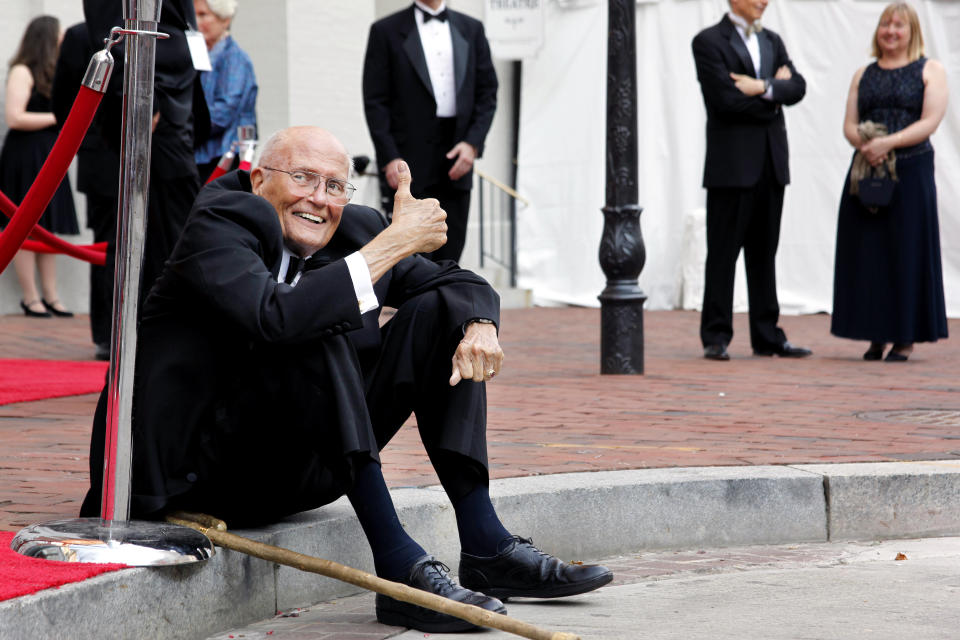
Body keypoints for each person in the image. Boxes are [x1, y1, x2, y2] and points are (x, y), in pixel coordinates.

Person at [79, 127, 612, 633]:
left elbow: (457, 283)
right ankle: (398, 565)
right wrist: (395, 243)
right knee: (317, 322)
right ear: (259, 178)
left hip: (297, 468)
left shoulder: (353, 227)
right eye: (303, 177)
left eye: (335, 185)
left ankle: (486, 545)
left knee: (442, 310)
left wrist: (479, 325)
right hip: (195, 474)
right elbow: (276, 317)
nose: (319, 199)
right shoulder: (222, 218)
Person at [691, 0, 812, 361]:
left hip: (771, 164)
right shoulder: (709, 41)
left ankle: (767, 336)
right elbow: (724, 100)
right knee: (723, 253)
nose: (764, 1)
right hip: (731, 166)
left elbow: (799, 87)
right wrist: (775, 93)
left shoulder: (772, 40)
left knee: (765, 253)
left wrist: (759, 86)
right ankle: (716, 336)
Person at [831, 3, 948, 362]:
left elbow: (930, 121)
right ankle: (875, 332)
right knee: (869, 252)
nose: (891, 31)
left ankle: (904, 336)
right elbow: (849, 124)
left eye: (899, 25)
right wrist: (866, 145)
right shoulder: (862, 73)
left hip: (911, 171)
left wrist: (889, 143)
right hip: (867, 171)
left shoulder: (931, 70)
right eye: (885, 24)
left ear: (912, 31)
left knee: (906, 252)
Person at [83, 0, 210, 304]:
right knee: (156, 234)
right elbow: (116, 33)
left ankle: (162, 326)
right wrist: (143, 100)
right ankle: (150, 328)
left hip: (174, 109)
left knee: (167, 232)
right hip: (152, 113)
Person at [362, 0, 498, 264]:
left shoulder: (473, 29)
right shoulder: (385, 30)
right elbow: (375, 101)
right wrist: (389, 156)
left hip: (457, 155)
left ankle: (445, 304)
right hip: (408, 157)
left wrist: (472, 144)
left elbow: (487, 94)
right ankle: (415, 306)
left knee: (452, 244)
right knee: (411, 252)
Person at [0, 15, 79, 318]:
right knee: (23, 227)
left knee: (47, 228)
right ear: (46, 38)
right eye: (58, 36)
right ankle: (30, 297)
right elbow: (15, 117)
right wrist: (60, 118)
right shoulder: (23, 70)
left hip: (48, 153)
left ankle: (51, 296)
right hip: (25, 153)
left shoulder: (55, 70)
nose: (62, 41)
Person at [52, 22, 121, 360]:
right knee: (106, 246)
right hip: (102, 160)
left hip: (125, 156)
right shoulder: (83, 36)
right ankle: (108, 333)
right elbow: (64, 100)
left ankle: (119, 331)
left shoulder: (154, 32)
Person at [192, 0, 258, 183]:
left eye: (203, 15)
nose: (196, 22)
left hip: (221, 156)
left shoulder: (236, 58)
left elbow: (224, 111)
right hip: (198, 152)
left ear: (225, 20)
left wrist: (186, 131)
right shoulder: (200, 54)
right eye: (194, 14)